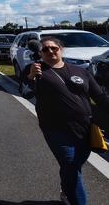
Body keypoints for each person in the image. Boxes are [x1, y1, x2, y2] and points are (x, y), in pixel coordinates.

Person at [25, 37, 109, 205]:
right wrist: (31, 77)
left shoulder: (80, 71)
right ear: (40, 53)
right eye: (45, 49)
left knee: (74, 166)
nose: (50, 51)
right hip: (55, 129)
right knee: (71, 166)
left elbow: (99, 96)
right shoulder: (35, 70)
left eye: (54, 48)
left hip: (84, 128)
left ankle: (66, 189)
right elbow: (26, 93)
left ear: (61, 49)